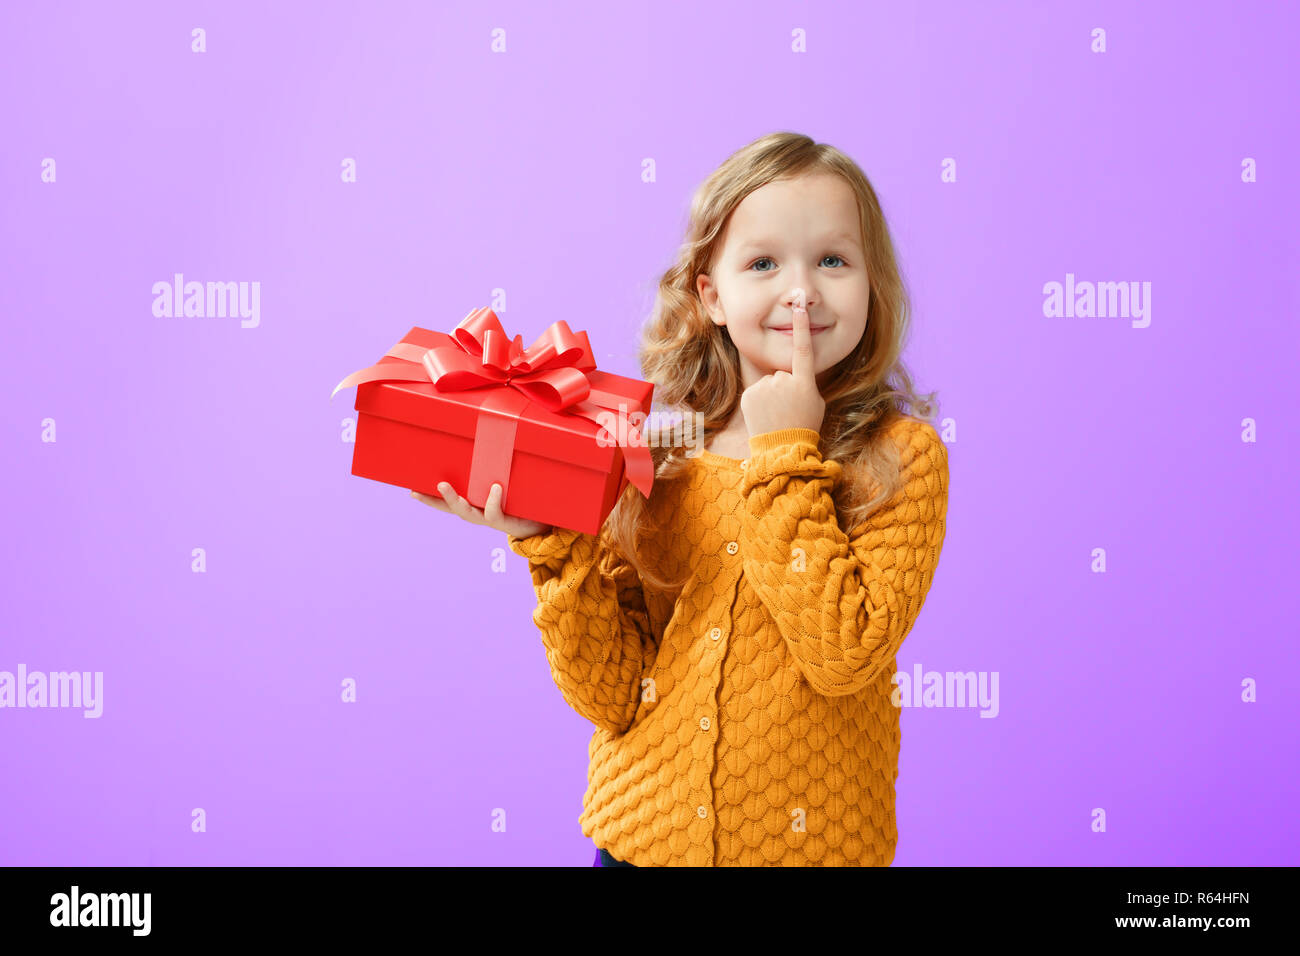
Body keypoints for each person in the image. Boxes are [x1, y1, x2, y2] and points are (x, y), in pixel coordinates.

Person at [414, 131, 950, 867]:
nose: (801, 290)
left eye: (833, 259)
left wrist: (787, 451)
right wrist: (551, 543)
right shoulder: (656, 453)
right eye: (763, 263)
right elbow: (609, 694)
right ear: (712, 295)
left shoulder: (899, 458)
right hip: (638, 846)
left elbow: (843, 656)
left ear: (872, 284)